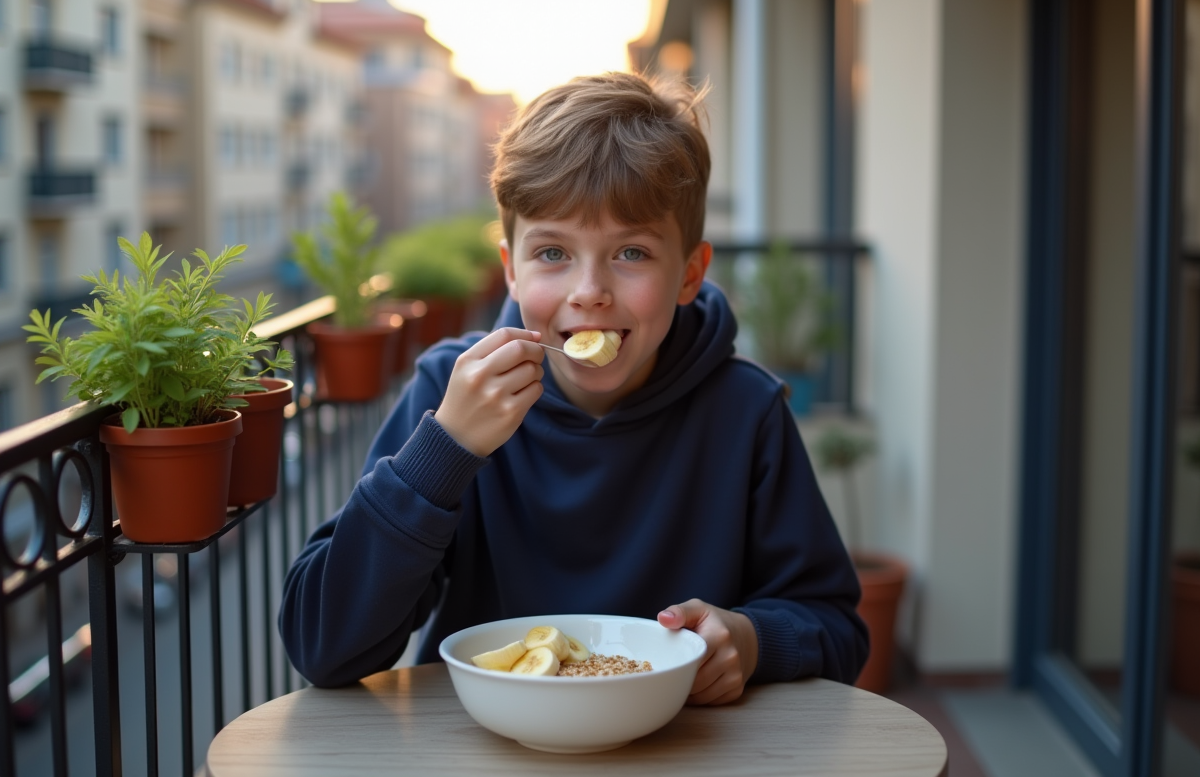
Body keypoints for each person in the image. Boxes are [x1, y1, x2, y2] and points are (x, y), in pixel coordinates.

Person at [279, 72, 868, 704]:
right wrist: (444, 451)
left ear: (690, 273)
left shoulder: (745, 411)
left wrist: (751, 641)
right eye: (553, 253)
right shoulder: (449, 397)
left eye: (633, 253)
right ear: (510, 269)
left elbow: (837, 627)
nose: (589, 291)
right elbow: (323, 647)